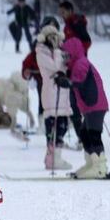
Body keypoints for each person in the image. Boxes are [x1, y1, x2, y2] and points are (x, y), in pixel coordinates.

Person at [56, 37, 110, 178]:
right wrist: (63, 77)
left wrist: (66, 82)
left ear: (73, 52)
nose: (65, 57)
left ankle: (100, 167)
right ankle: (91, 163)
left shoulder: (81, 63)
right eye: (64, 55)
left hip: (95, 105)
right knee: (85, 133)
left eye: (67, 54)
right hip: (90, 106)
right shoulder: (75, 65)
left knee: (93, 134)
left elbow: (78, 82)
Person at [35, 19, 72, 170]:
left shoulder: (58, 51)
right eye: (50, 37)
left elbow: (64, 66)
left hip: (62, 93)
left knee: (63, 125)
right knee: (54, 127)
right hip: (51, 94)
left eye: (55, 37)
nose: (54, 40)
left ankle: (53, 157)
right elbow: (55, 67)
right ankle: (54, 159)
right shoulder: (41, 52)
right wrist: (58, 51)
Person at [59, 1, 92, 146]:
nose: (62, 15)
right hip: (71, 68)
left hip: (79, 69)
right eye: (60, 12)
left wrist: (78, 56)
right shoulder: (67, 25)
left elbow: (86, 41)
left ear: (70, 10)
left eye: (63, 12)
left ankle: (85, 135)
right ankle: (82, 136)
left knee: (78, 102)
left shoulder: (75, 22)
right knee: (74, 103)